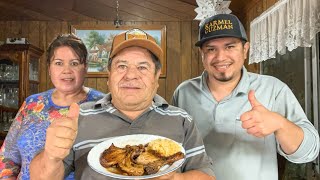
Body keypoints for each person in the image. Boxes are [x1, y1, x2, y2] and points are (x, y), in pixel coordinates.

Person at [29, 28, 216, 180]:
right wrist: (51, 156)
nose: (131, 75)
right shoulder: (79, 118)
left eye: (142, 67)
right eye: (121, 66)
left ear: (156, 77)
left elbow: (206, 175)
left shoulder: (181, 120)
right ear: (109, 76)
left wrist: (176, 179)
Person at [172, 13, 320, 180]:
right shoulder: (183, 92)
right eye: (211, 49)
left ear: (245, 49)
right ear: (202, 54)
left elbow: (309, 151)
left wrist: (280, 124)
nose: (221, 57)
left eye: (230, 47)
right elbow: (174, 150)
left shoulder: (273, 89)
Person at [0, 34, 105, 180]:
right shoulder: (32, 103)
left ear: (85, 67)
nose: (66, 70)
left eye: (74, 63)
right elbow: (8, 156)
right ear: (49, 68)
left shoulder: (102, 104)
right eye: (58, 63)